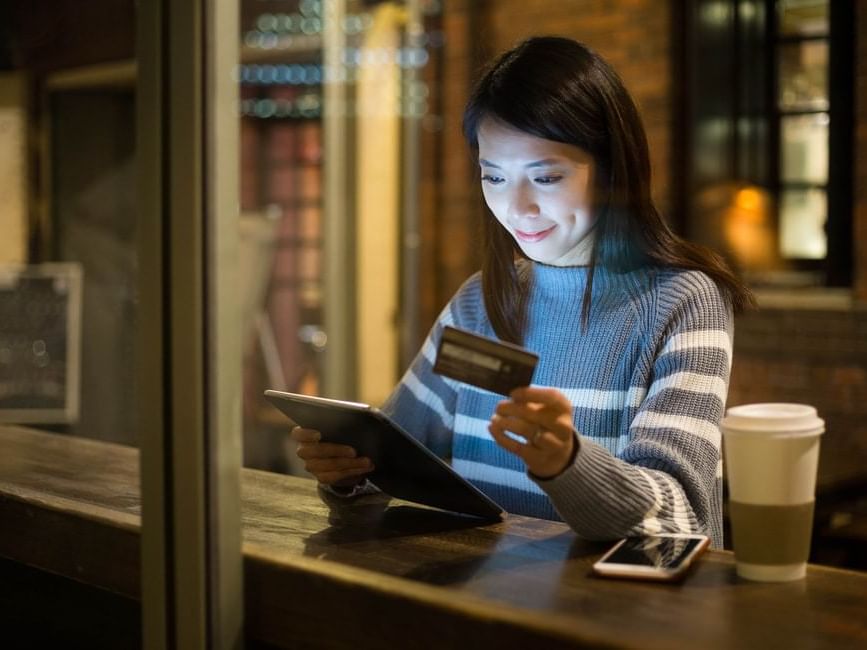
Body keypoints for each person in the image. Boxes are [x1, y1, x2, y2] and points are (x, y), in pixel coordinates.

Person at [290, 36, 753, 549]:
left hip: (618, 619)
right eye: (494, 176)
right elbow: (397, 461)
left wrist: (569, 463)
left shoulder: (681, 301)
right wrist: (349, 470)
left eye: (546, 176)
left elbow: (681, 520)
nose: (517, 207)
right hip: (486, 605)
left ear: (611, 168)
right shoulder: (480, 303)